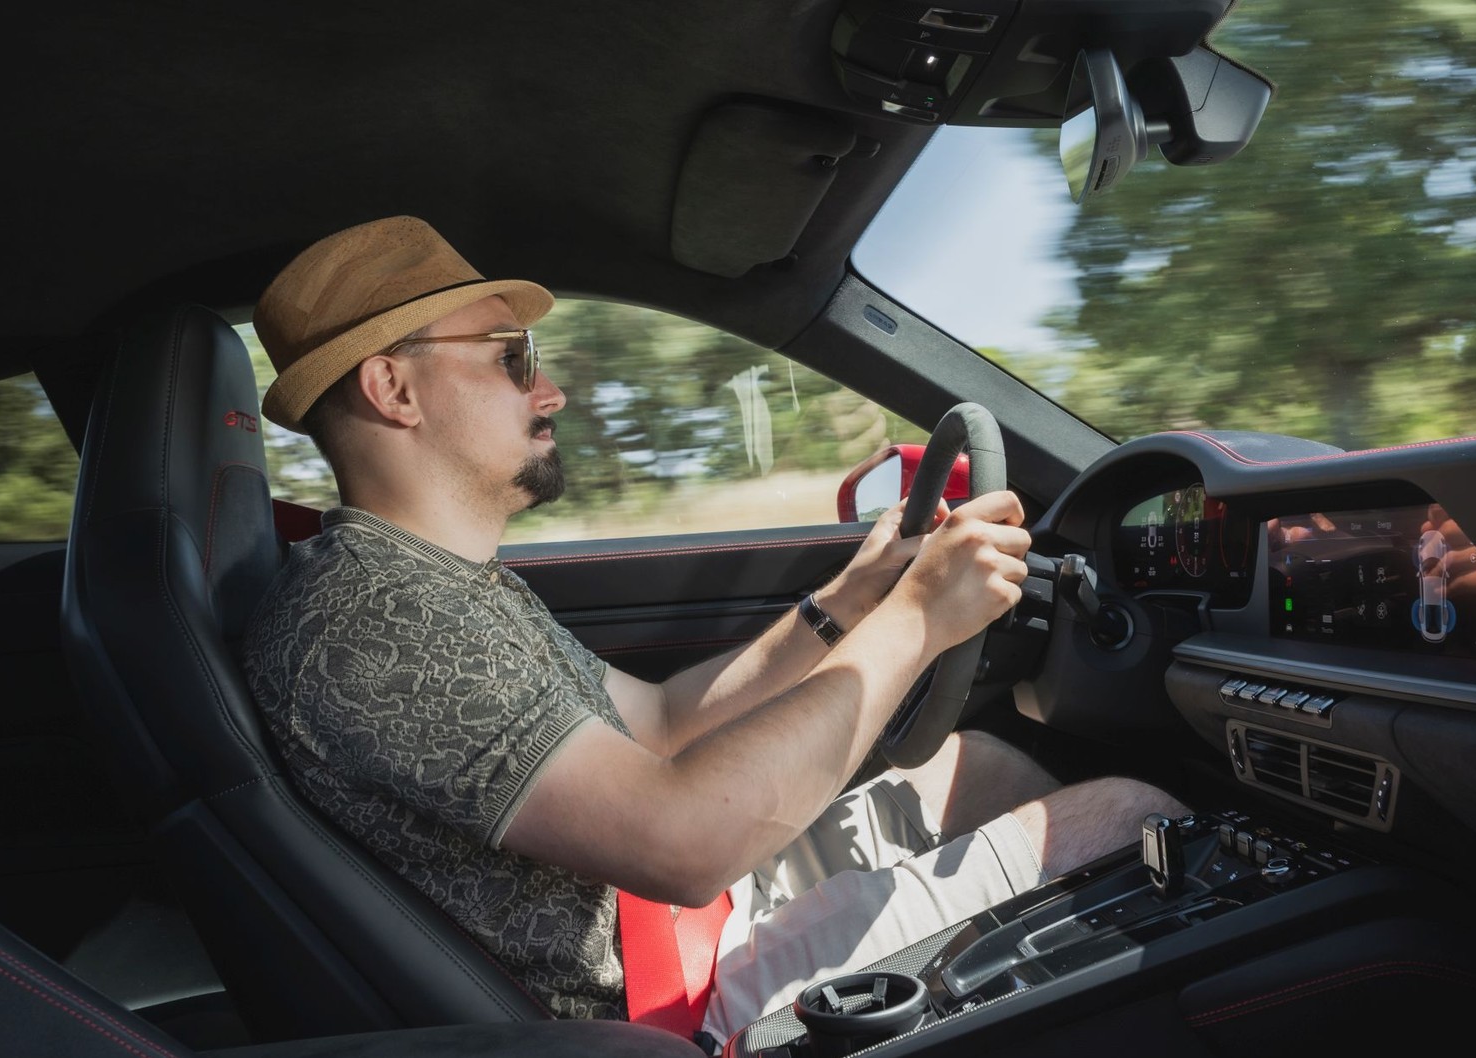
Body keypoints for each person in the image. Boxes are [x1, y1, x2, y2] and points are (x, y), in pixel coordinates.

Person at [241, 216, 1186, 1042]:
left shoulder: (442, 583)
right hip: (676, 1004)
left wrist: (851, 601)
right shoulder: (374, 620)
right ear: (394, 389)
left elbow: (656, 725)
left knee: (979, 767)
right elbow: (684, 845)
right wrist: (919, 618)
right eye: (510, 357)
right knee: (1131, 820)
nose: (550, 390)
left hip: (674, 925)